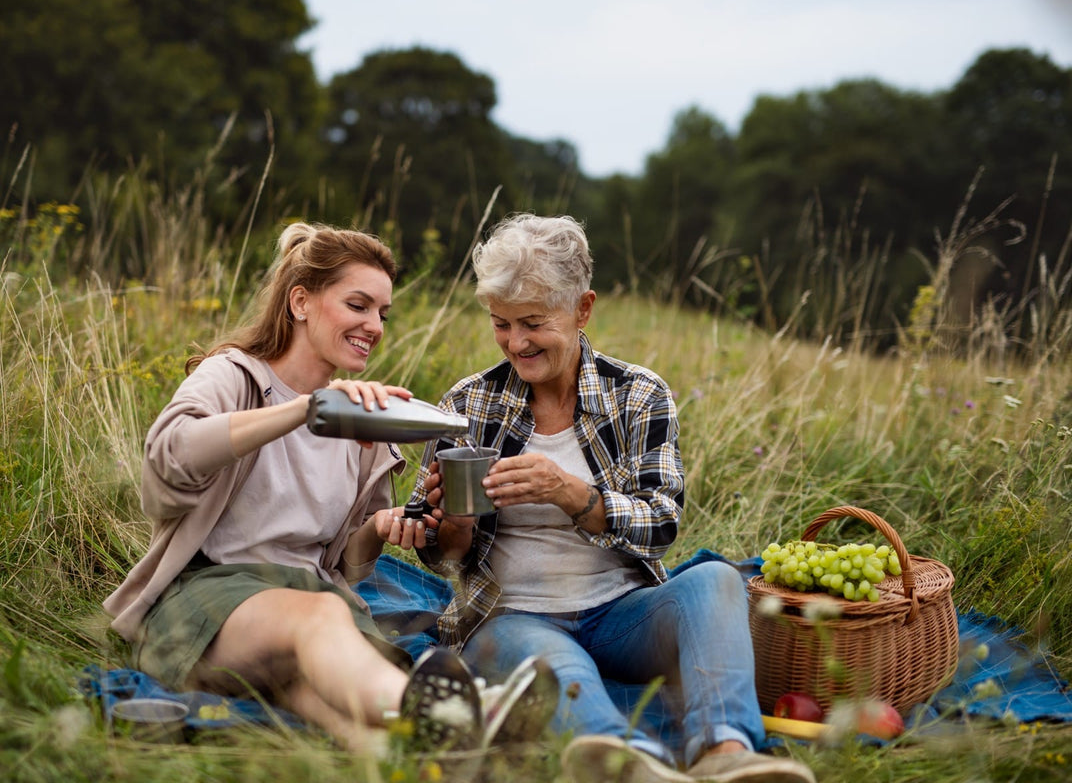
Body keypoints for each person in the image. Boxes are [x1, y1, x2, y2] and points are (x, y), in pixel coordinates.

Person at [103, 222, 539, 756]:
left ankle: (444, 755)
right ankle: (458, 711)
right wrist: (308, 410)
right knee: (322, 617)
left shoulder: (365, 423)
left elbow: (341, 569)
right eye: (358, 305)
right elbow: (167, 460)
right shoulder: (234, 377)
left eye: (382, 312)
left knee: (329, 704)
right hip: (208, 605)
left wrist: (377, 531)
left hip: (304, 609)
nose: (374, 325)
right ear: (300, 301)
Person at [409, 214, 817, 783]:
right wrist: (453, 522)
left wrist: (570, 492)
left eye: (532, 322)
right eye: (501, 324)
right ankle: (625, 763)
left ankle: (726, 757)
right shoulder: (468, 402)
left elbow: (663, 523)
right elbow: (441, 556)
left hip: (621, 613)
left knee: (718, 580)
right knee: (554, 663)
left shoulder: (638, 395)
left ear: (583, 308)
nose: (516, 343)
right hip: (514, 617)